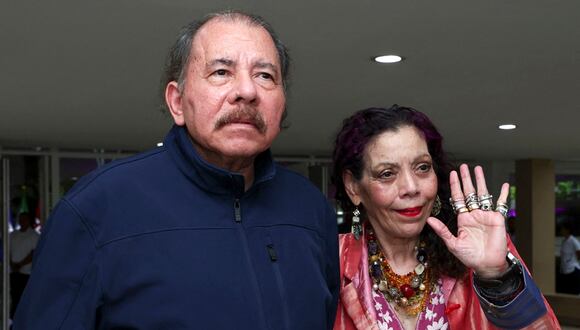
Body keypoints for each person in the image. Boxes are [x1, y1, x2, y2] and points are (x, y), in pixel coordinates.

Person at [14, 11, 339, 329]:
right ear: (177, 102)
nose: (248, 91)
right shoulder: (97, 207)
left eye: (265, 76)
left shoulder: (310, 208)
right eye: (222, 72)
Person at [331, 106, 559, 329]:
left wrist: (497, 278)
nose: (411, 187)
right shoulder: (330, 260)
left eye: (422, 167)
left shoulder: (478, 249)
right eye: (387, 173)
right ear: (353, 187)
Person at [9, 212, 39, 319]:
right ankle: (13, 318)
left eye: (24, 219)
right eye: (20, 219)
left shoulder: (34, 235)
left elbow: (34, 253)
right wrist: (12, 264)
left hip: (26, 272)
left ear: (29, 220)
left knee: (24, 296)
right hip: (13, 272)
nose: (22, 221)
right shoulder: (12, 235)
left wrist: (20, 264)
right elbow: (7, 251)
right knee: (14, 296)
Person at [559, 219, 580, 294]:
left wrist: (572, 261)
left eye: (563, 229)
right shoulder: (564, 241)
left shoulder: (573, 240)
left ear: (567, 230)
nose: (561, 230)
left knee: (573, 293)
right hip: (565, 271)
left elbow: (578, 251)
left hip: (573, 270)